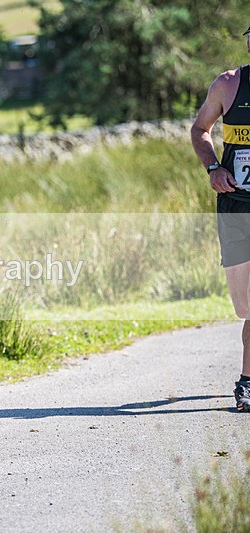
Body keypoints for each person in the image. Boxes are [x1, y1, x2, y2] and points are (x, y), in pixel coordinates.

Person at [191, 25, 250, 412]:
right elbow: (200, 130)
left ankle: (246, 381)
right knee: (244, 306)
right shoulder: (229, 85)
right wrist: (213, 167)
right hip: (236, 205)